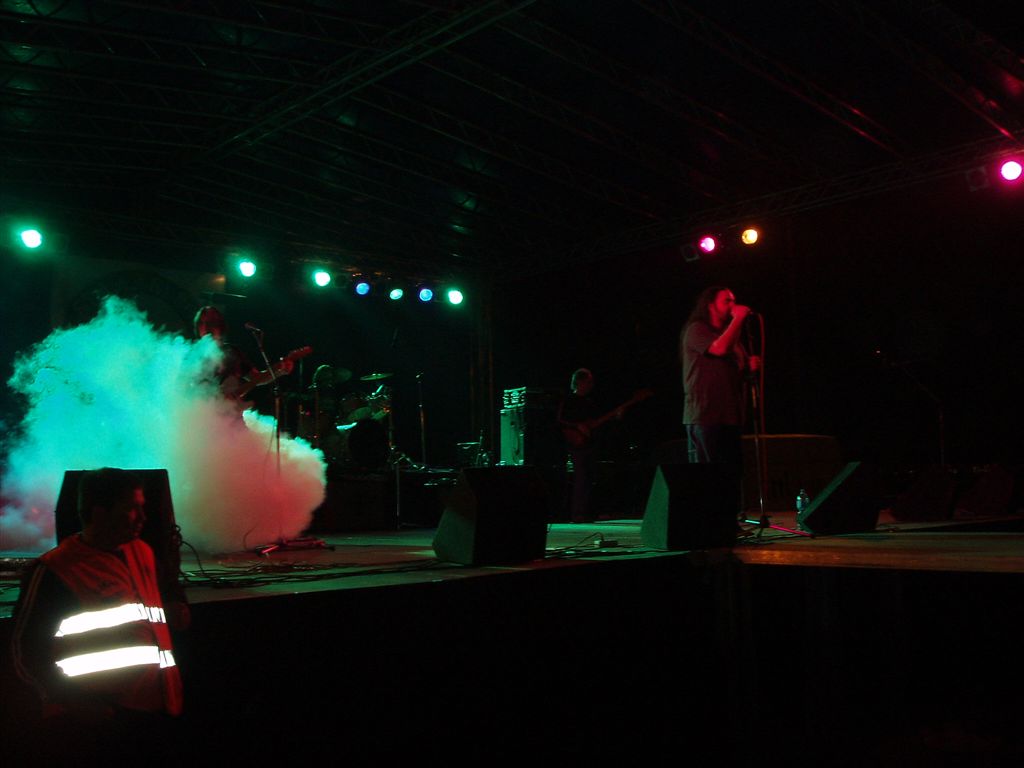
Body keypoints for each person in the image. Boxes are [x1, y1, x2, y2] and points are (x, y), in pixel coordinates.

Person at [10, 468, 186, 757]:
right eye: (132, 509)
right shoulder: (55, 570)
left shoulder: (143, 552)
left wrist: (177, 604)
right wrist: (73, 702)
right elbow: (25, 649)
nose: (143, 517)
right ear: (99, 512)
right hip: (101, 719)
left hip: (159, 706)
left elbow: (164, 592)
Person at [680, 287, 762, 535]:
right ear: (710, 305)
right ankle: (708, 525)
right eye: (726, 300)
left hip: (731, 415)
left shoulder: (733, 337)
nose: (732, 304)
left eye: (734, 300)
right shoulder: (697, 330)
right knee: (709, 473)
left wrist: (749, 368)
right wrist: (739, 318)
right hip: (705, 414)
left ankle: (727, 523)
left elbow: (736, 371)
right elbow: (718, 349)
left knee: (731, 473)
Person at [194, 305, 294, 407]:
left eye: (211, 323)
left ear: (220, 325)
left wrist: (280, 371)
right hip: (201, 413)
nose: (206, 327)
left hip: (231, 413)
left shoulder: (233, 352)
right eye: (201, 323)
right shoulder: (192, 354)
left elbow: (257, 378)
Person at [557, 368, 609, 523]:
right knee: (581, 479)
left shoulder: (589, 402)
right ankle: (577, 513)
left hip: (589, 443)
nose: (591, 384)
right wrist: (578, 426)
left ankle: (589, 512)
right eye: (588, 381)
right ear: (579, 382)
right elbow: (560, 420)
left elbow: (595, 423)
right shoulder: (569, 400)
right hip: (576, 445)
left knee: (590, 478)